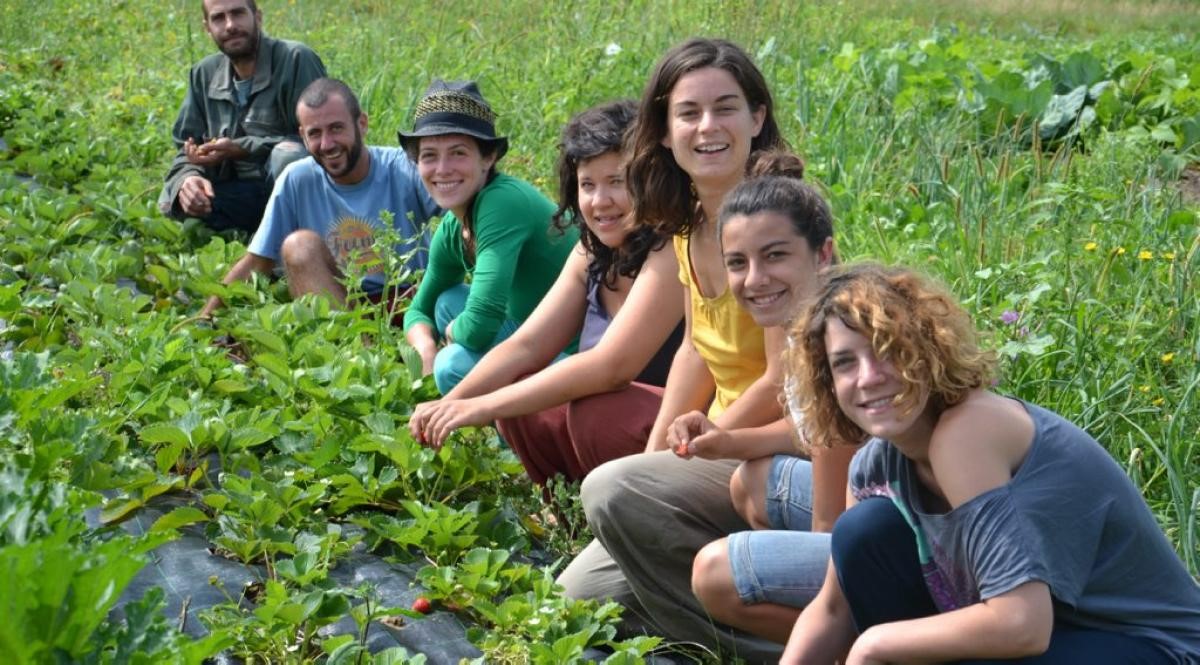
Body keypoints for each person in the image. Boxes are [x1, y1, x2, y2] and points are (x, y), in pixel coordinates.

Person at [781, 263, 1200, 664]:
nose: (869, 376)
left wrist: (876, 643)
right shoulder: (875, 464)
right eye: (845, 362)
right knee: (863, 531)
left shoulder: (967, 431)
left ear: (927, 351)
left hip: (1153, 648)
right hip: (1054, 640)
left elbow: (1022, 624)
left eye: (888, 350)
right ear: (829, 384)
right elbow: (834, 611)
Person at [556, 38, 800, 662]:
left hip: (779, 449)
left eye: (726, 108)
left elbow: (781, 377)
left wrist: (704, 444)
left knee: (610, 493)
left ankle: (754, 647)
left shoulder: (775, 219)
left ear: (757, 118)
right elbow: (697, 346)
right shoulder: (688, 224)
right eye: (688, 113)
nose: (708, 127)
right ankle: (710, 603)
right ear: (664, 131)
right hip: (721, 441)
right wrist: (657, 455)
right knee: (576, 598)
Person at [406, 101, 684, 489]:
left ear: (649, 179)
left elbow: (611, 367)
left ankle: (622, 505)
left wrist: (480, 405)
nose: (600, 201)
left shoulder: (670, 249)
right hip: (613, 424)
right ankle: (569, 506)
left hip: (681, 431)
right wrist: (450, 405)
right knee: (517, 384)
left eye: (617, 181)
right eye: (587, 185)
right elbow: (527, 344)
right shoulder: (592, 249)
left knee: (595, 407)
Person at [673, 157, 858, 646]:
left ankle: (861, 642)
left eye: (775, 256)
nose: (755, 279)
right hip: (876, 501)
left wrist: (827, 579)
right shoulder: (803, 320)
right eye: (738, 262)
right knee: (752, 480)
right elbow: (811, 431)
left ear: (823, 254)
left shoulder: (837, 342)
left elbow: (831, 514)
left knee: (714, 574)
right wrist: (728, 440)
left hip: (917, 530)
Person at [199, 78, 438, 319]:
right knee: (298, 246)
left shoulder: (404, 167)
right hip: (341, 303)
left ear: (362, 124)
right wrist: (204, 321)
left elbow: (463, 217)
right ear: (303, 136)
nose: (327, 144)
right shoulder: (297, 179)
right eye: (315, 133)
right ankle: (354, 351)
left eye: (336, 128)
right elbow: (257, 262)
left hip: (408, 302)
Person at [401, 79, 577, 395]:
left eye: (458, 153)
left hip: (575, 354)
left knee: (452, 363)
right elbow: (418, 310)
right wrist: (426, 351)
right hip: (530, 333)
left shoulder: (502, 202)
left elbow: (480, 326)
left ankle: (511, 439)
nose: (442, 169)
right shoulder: (453, 229)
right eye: (429, 156)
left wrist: (452, 334)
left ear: (488, 158)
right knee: (447, 301)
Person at [158, 0, 327, 233]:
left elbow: (320, 140)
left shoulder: (295, 59)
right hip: (240, 192)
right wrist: (188, 179)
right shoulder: (203, 74)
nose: (230, 25)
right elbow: (185, 146)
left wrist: (243, 148)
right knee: (182, 197)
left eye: (238, 13)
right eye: (218, 18)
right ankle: (258, 232)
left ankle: (298, 237)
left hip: (290, 189)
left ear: (257, 17)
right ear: (207, 27)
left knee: (287, 157)